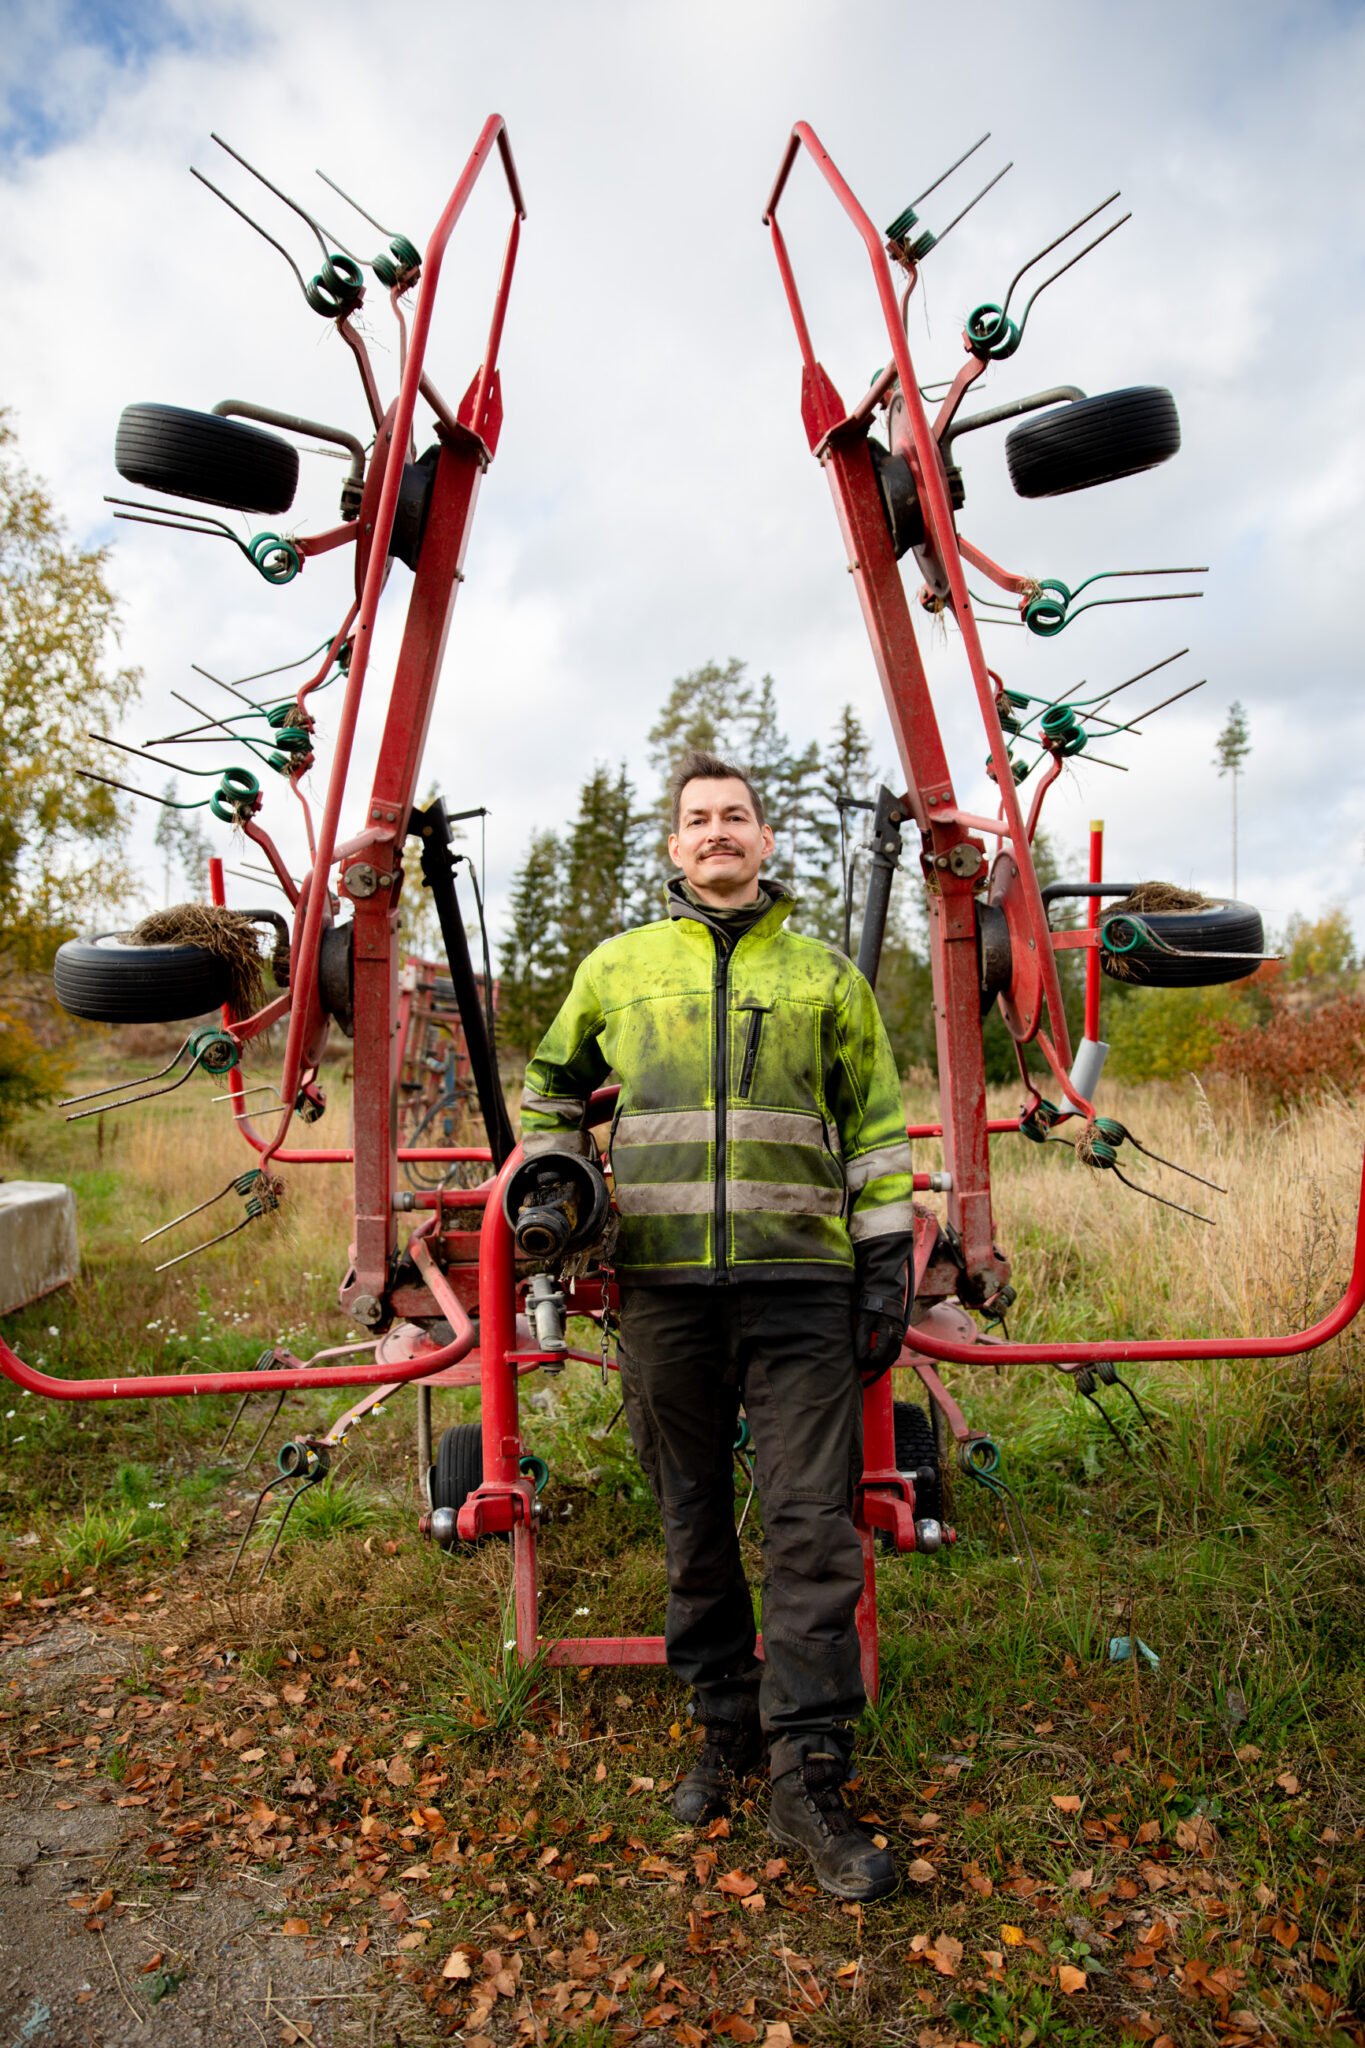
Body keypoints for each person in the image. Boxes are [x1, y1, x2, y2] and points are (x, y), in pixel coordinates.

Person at [519, 749, 914, 1900]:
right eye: (698, 819)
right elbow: (549, 1089)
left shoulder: (825, 975)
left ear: (766, 841)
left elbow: (879, 1130)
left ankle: (808, 1769)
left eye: (735, 816)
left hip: (803, 1288)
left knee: (809, 1528)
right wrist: (558, 1177)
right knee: (692, 1521)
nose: (717, 833)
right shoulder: (618, 968)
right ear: (675, 844)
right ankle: (722, 1724)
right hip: (663, 1289)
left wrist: (884, 1261)